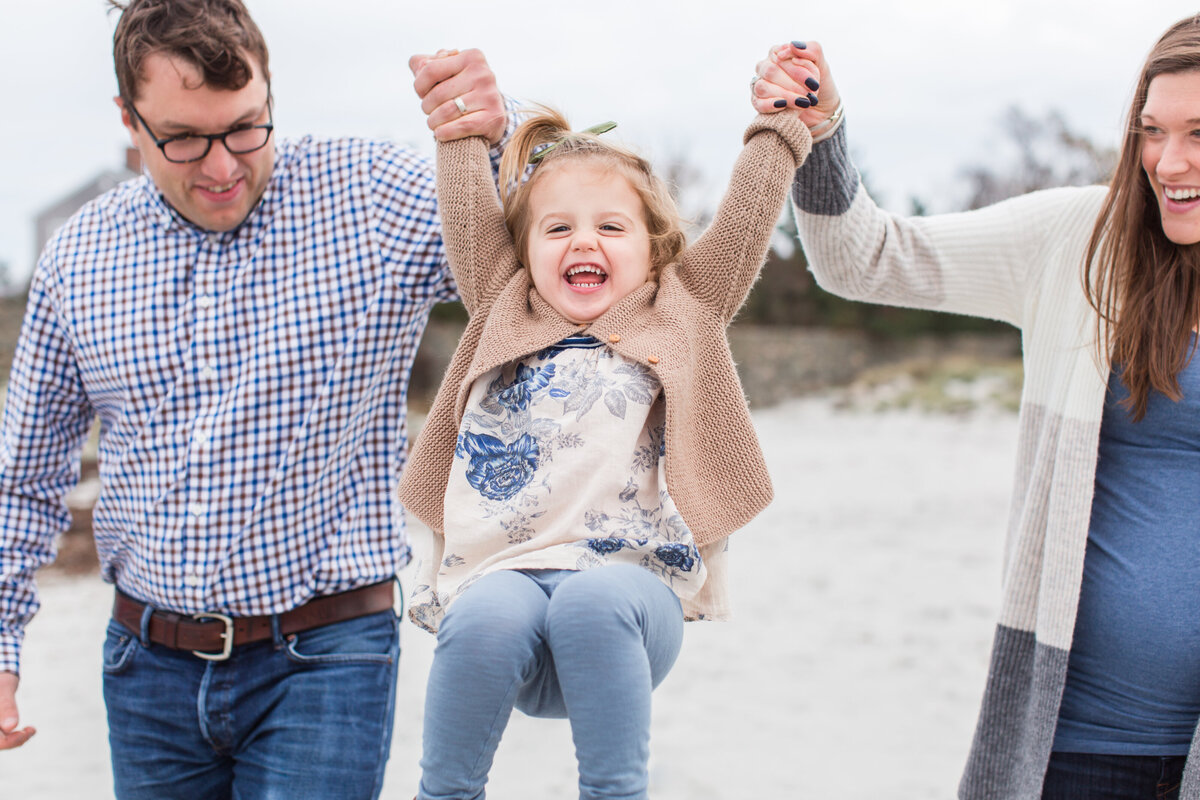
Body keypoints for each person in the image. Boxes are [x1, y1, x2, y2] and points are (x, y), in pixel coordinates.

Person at [0, 0, 509, 797]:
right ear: (127, 119)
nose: (222, 166)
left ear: (270, 92)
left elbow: (536, 254)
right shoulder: (79, 257)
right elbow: (24, 476)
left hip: (326, 658)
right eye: (182, 138)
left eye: (245, 126)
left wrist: (497, 137)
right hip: (144, 669)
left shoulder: (369, 196)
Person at [753, 18, 1200, 800]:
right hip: (1074, 744)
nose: (1170, 162)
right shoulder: (1081, 243)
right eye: (1153, 132)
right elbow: (867, 258)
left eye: (1199, 133)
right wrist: (821, 135)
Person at [396, 75, 814, 795]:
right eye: (557, 228)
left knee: (595, 600)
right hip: (510, 581)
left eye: (610, 228)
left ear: (653, 251)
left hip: (634, 594)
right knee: (485, 615)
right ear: (523, 252)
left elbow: (748, 218)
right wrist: (459, 130)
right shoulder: (505, 303)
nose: (583, 240)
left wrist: (782, 126)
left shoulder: (684, 306)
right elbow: (468, 215)